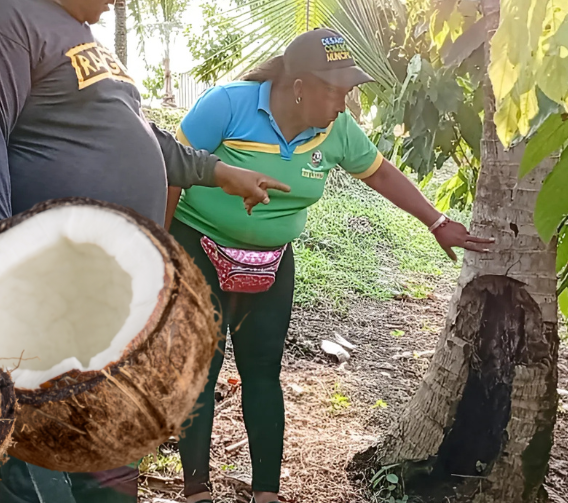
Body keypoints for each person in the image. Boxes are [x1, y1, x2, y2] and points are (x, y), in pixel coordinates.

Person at [0, 0, 289, 503]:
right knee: (37, 456)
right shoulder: (4, 22)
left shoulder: (79, 37)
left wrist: (219, 172)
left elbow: (136, 136)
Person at [166, 28, 494, 503]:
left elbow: (379, 171)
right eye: (335, 91)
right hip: (197, 246)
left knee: (262, 371)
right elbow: (171, 168)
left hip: (271, 262)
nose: (344, 103)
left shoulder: (335, 130)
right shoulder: (227, 105)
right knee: (200, 369)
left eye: (348, 91)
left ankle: (266, 494)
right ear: (298, 86)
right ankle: (196, 489)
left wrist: (436, 221)